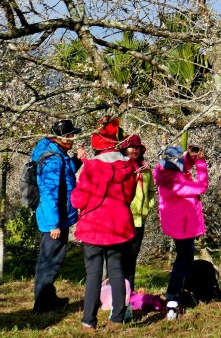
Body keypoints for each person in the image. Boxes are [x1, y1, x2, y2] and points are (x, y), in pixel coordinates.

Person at [71, 117, 137, 330]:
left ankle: (88, 321)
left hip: (94, 227)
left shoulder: (92, 168)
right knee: (117, 271)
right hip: (118, 227)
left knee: (93, 275)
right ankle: (117, 318)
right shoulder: (129, 168)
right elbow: (129, 197)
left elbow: (79, 200)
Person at [32, 118, 84, 313]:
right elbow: (50, 193)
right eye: (71, 135)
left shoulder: (58, 155)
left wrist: (77, 160)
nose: (73, 139)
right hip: (54, 219)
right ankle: (43, 305)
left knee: (52, 259)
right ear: (61, 138)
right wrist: (54, 224)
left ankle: (48, 298)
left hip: (59, 216)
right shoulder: (53, 159)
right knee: (50, 261)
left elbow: (66, 176)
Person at [154, 142, 209, 320]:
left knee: (184, 260)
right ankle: (172, 299)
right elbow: (201, 186)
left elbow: (179, 166)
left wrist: (189, 158)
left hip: (178, 223)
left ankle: (175, 297)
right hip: (183, 226)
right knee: (183, 261)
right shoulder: (176, 183)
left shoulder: (164, 173)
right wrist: (200, 163)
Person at [120, 133, 155, 291]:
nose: (134, 150)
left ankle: (129, 292)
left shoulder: (146, 170)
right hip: (122, 219)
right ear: (124, 149)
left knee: (131, 259)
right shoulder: (120, 166)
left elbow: (151, 191)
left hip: (139, 220)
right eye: (131, 147)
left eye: (137, 147)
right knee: (117, 259)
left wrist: (147, 207)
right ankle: (110, 292)